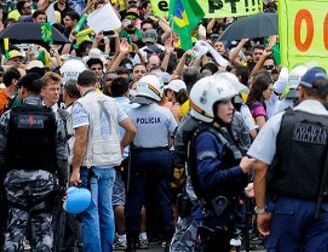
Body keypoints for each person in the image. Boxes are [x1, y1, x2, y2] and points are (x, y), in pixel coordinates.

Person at [249, 67, 328, 250]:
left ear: (300, 90)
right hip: (323, 207)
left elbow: (260, 166)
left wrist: (261, 210)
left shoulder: (279, 121)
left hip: (285, 205)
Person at [69, 70, 138, 252]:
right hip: (110, 163)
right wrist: (120, 147)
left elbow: (81, 138)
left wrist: (75, 169)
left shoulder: (81, 105)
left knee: (91, 213)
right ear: (97, 83)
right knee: (106, 210)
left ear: (78, 86)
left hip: (91, 165)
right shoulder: (111, 102)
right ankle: (107, 248)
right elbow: (131, 129)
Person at [187, 74, 256, 251]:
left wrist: (243, 187)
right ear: (208, 106)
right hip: (215, 217)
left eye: (231, 102)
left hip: (227, 216)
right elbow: (208, 179)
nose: (231, 107)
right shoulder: (207, 138)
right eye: (225, 103)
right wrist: (240, 170)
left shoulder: (220, 133)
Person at [0, 73, 69, 251]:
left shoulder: (8, 117)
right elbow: (62, 156)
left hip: (14, 181)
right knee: (43, 230)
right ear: (40, 92)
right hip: (44, 181)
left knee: (14, 229)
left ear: (22, 91)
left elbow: (0, 151)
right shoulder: (54, 119)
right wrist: (63, 182)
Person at [125, 75, 177, 251]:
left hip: (139, 156)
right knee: (163, 198)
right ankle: (169, 240)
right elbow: (174, 135)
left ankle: (132, 241)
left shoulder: (131, 113)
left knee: (135, 199)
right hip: (161, 155)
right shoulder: (164, 112)